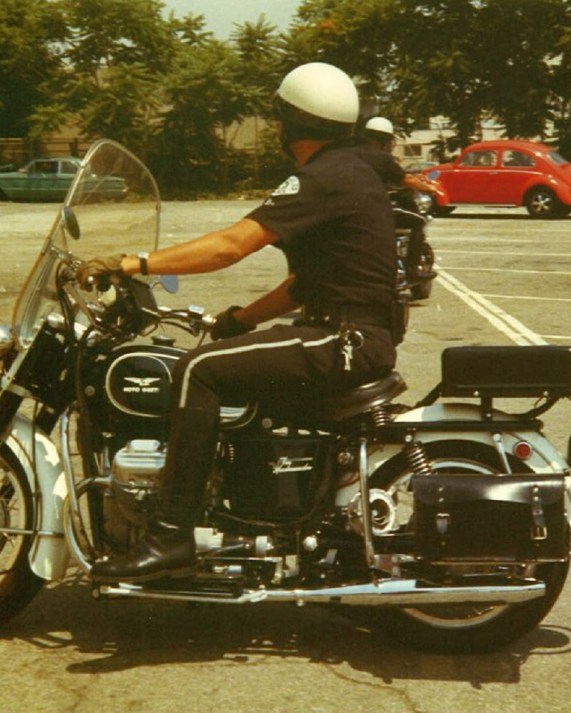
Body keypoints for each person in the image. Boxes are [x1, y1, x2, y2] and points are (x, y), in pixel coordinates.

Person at [78, 62, 400, 584]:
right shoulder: (350, 171)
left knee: (198, 369)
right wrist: (239, 320)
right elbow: (305, 284)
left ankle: (169, 538)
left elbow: (230, 247)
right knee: (227, 358)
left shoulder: (324, 176)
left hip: (343, 339)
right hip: (350, 333)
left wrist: (131, 263)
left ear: (290, 122)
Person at [360, 116, 436, 274]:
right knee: (419, 221)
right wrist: (429, 188)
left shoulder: (352, 154)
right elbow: (406, 179)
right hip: (378, 210)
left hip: (355, 209)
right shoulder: (382, 158)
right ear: (385, 139)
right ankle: (412, 268)